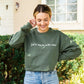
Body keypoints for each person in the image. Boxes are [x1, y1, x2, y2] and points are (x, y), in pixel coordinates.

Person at [9, 4, 81, 84]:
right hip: (31, 77)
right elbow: (13, 43)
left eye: (46, 20)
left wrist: (57, 57)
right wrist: (26, 27)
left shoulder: (57, 35)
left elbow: (76, 50)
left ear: (50, 18)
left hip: (51, 77)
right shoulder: (28, 34)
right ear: (35, 20)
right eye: (39, 20)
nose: (42, 23)